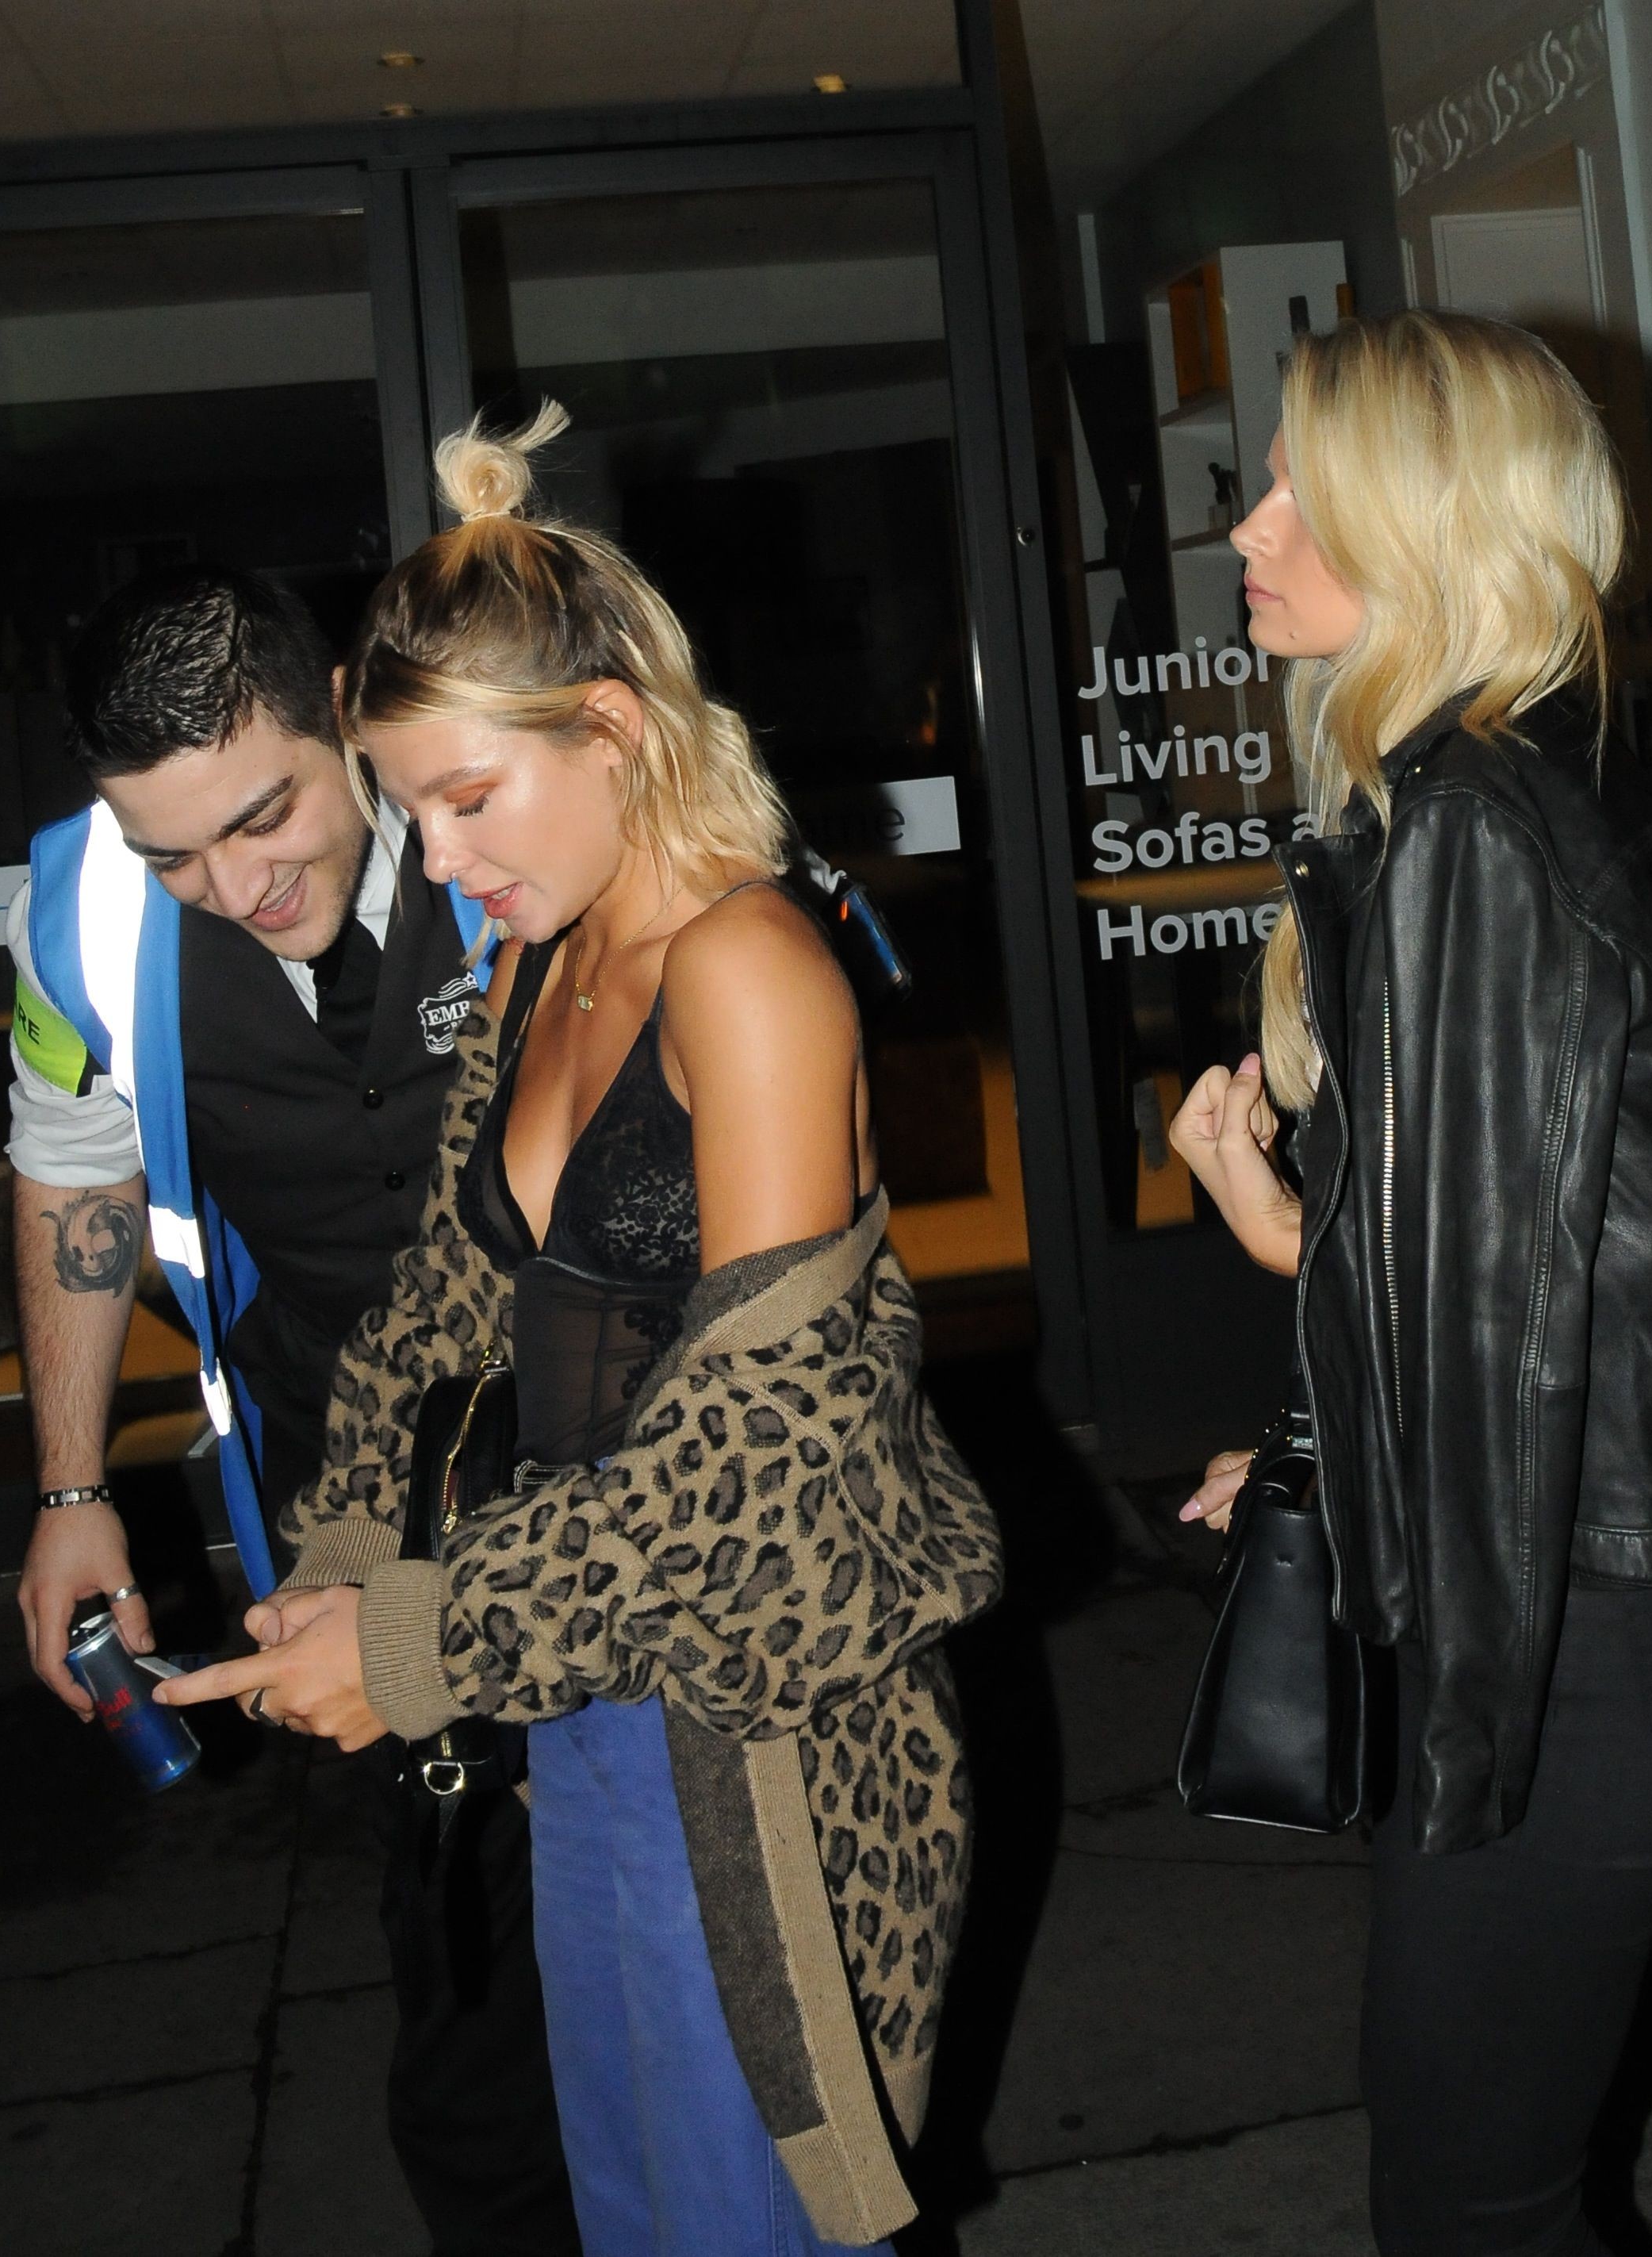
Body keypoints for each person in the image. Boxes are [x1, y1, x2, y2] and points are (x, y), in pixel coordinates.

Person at [158, 405, 1005, 2256]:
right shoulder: (541, 958)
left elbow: (760, 1458)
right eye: (412, 810)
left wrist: (415, 1639)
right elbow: (443, 1308)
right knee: (627, 2215)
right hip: (576, 1699)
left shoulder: (749, 972)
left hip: (754, 1736)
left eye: (472, 798)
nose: (442, 854)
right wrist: (350, 1550)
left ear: (610, 728)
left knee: (744, 2222)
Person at [1169, 313, 1652, 2254]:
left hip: (1570, 1631)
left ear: (1425, 525)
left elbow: (1491, 1336)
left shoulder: (1467, 828)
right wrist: (1334, 1435)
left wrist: (1268, 1229)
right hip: (1597, 1582)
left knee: (1471, 2209)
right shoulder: (1511, 772)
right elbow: (1527, 1250)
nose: (1247, 525)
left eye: (1297, 487)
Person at [8, 567, 580, 2256]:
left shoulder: (512, 826)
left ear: (341, 706)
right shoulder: (82, 921)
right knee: (474, 2027)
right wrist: (69, 1495)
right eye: (173, 854)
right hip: (357, 1517)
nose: (236, 887)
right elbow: (73, 1180)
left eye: (264, 818)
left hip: (618, 1480)